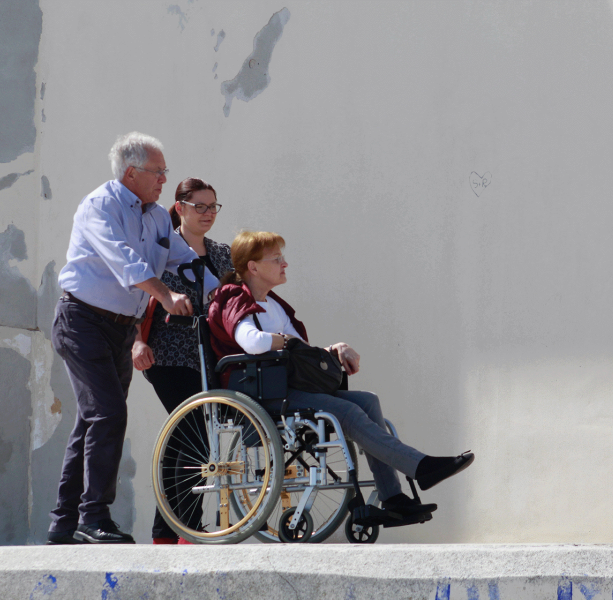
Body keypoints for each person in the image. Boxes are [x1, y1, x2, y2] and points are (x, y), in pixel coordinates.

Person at [209, 230, 474, 518]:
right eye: (276, 259)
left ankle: (393, 497)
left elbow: (301, 352)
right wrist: (286, 341)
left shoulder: (273, 305)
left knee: (368, 400)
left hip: (286, 385)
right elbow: (253, 342)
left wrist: (335, 348)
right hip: (259, 391)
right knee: (346, 412)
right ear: (253, 267)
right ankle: (421, 466)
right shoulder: (233, 297)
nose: (285, 263)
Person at [47, 133, 219, 545]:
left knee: (92, 420)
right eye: (157, 171)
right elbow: (124, 261)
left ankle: (63, 523)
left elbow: (185, 259)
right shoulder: (100, 206)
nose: (164, 179)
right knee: (108, 414)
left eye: (164, 171)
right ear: (131, 173)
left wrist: (230, 296)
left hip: (121, 328)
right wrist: (165, 295)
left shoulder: (158, 216)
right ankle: (93, 517)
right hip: (82, 321)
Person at [132, 177, 232, 544]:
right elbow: (137, 298)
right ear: (180, 208)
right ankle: (185, 529)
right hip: (168, 355)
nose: (208, 213)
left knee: (186, 438)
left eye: (213, 206)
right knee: (195, 435)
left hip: (209, 357)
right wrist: (136, 343)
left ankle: (169, 532)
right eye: (199, 206)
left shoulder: (222, 254)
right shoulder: (162, 249)